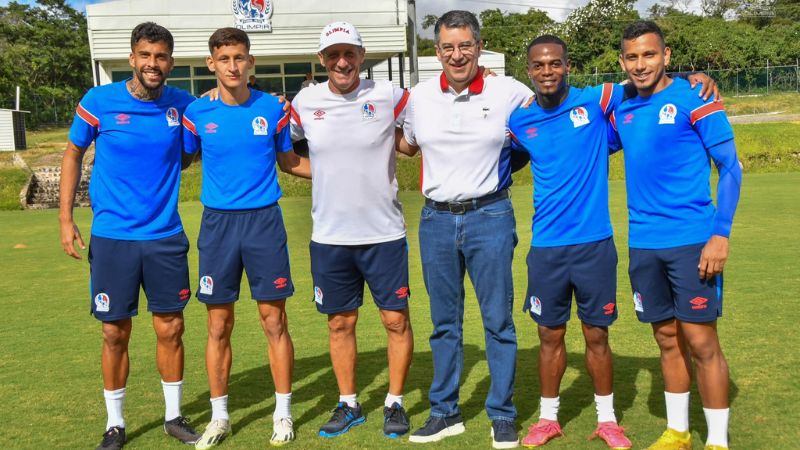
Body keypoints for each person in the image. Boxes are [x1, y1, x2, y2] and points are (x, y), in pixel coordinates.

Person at [507, 35, 717, 449]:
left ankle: (608, 420)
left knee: (597, 334)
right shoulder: (519, 120)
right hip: (546, 246)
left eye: (554, 64)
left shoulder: (600, 99)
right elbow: (504, 157)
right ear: (528, 71)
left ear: (567, 65)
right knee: (549, 336)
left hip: (595, 245)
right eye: (538, 66)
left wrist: (693, 78)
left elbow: (647, 81)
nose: (547, 71)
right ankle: (548, 419)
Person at [59, 22, 200, 450]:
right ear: (131, 58)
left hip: (164, 236)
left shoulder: (185, 105)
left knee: (170, 327)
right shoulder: (98, 101)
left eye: (161, 57)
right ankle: (115, 423)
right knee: (114, 332)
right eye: (145, 55)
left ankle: (174, 417)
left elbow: (211, 130)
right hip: (113, 237)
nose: (152, 64)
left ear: (171, 63)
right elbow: (72, 154)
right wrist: (66, 219)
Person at [398, 10, 534, 449]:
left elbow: (555, 108)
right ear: (436, 51)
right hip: (435, 219)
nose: (457, 55)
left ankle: (502, 413)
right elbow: (403, 143)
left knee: (498, 321)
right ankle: (445, 412)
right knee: (444, 323)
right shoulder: (418, 97)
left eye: (465, 45)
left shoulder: (510, 91)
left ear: (478, 46)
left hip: (490, 217)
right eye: (447, 47)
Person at [611, 20, 741, 450]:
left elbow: (731, 168)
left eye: (649, 54)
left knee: (702, 341)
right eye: (632, 56)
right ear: (622, 61)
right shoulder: (623, 107)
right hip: (644, 244)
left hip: (693, 241)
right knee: (666, 339)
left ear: (666, 56)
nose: (641, 64)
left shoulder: (694, 97)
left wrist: (720, 235)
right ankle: (678, 432)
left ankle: (717, 442)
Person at [182, 27, 308, 448]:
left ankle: (283, 413)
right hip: (217, 226)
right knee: (218, 324)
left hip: (264, 224)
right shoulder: (196, 114)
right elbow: (174, 160)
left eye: (239, 57)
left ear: (250, 61)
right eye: (224, 59)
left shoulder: (273, 108)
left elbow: (290, 161)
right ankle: (219, 418)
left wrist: (347, 169)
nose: (233, 66)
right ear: (210, 64)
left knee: (274, 320)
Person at [287, 21, 414, 439]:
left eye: (350, 53)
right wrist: (323, 172)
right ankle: (349, 402)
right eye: (333, 55)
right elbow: (287, 155)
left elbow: (414, 139)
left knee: (395, 321)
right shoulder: (304, 101)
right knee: (340, 324)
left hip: (384, 234)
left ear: (362, 56)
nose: (342, 62)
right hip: (330, 237)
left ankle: (394, 403)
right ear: (322, 60)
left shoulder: (388, 95)